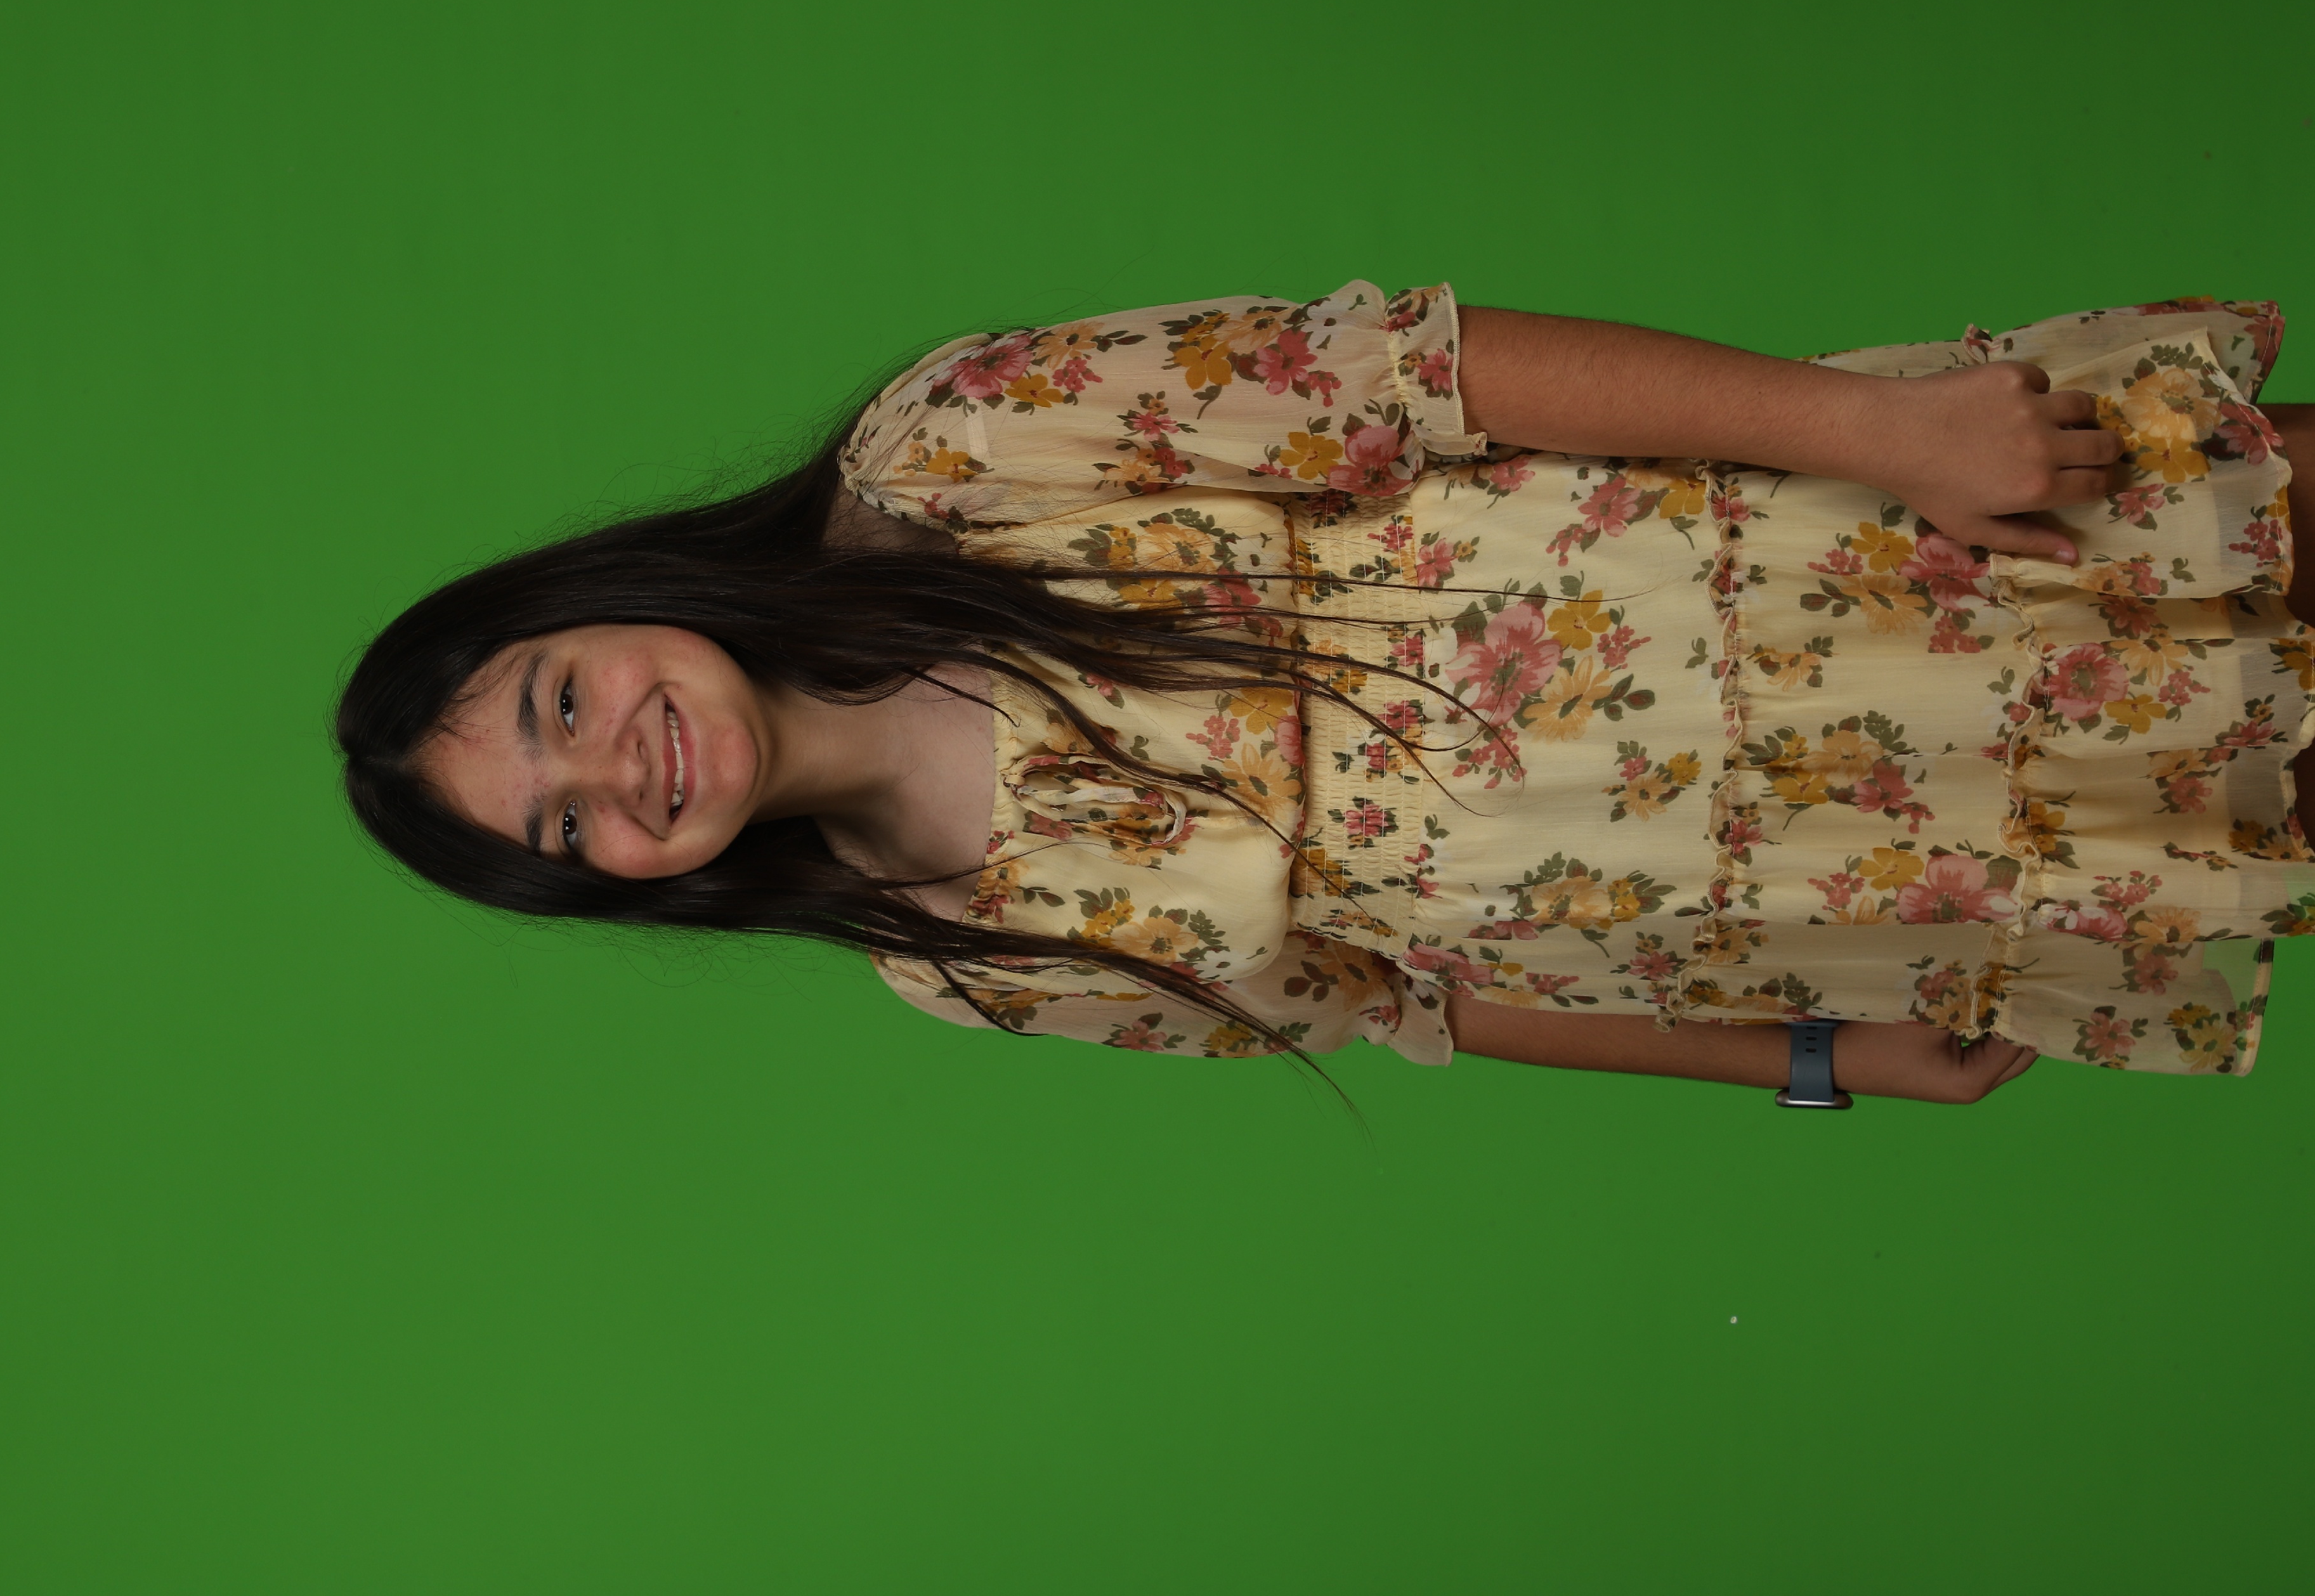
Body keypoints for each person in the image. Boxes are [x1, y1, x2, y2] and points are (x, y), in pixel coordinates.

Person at [337, 282, 2315, 1104]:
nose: (616, 774)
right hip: (1844, 860)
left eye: (561, 702)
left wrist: (1877, 434)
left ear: (604, 601)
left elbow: (1424, 376)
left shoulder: (953, 454)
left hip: (1863, 565)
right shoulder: (963, 962)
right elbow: (1397, 1001)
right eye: (565, 830)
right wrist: (1815, 1057)